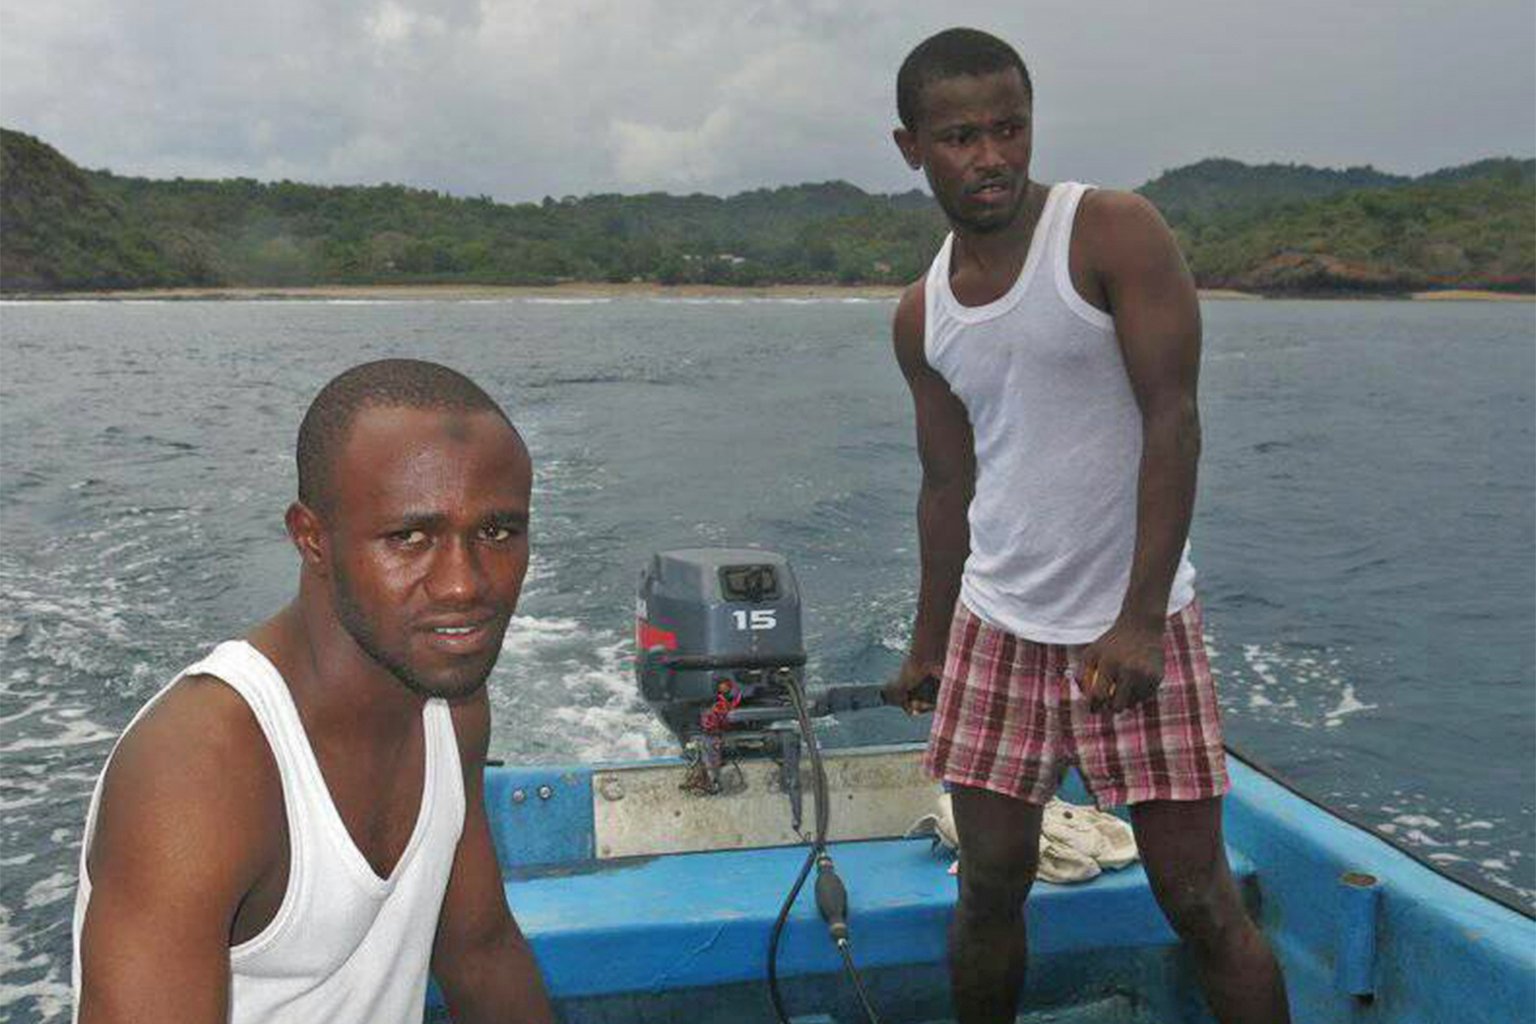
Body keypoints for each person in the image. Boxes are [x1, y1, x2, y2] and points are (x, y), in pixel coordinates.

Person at [881, 28, 1291, 1024]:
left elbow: (1173, 418)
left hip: (1133, 619)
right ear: (911, 148)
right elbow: (947, 484)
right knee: (987, 886)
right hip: (997, 625)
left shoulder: (1111, 232)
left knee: (1198, 899)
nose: (990, 156)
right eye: (960, 136)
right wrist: (931, 637)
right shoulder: (921, 312)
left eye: (1009, 128)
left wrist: (1141, 617)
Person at [72, 359, 557, 1024]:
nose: (464, 585)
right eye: (410, 537)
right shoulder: (201, 771)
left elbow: (479, 951)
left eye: (498, 532)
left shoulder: (452, 710)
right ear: (313, 540)